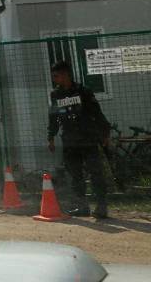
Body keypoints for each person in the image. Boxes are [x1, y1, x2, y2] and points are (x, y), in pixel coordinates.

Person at [47, 60, 112, 218]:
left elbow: (97, 113)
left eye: (56, 76)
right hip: (70, 140)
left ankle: (101, 206)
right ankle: (83, 206)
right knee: (75, 175)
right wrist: (51, 136)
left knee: (96, 172)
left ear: (66, 75)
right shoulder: (56, 95)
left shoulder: (83, 92)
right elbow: (53, 117)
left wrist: (105, 133)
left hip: (88, 139)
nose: (54, 79)